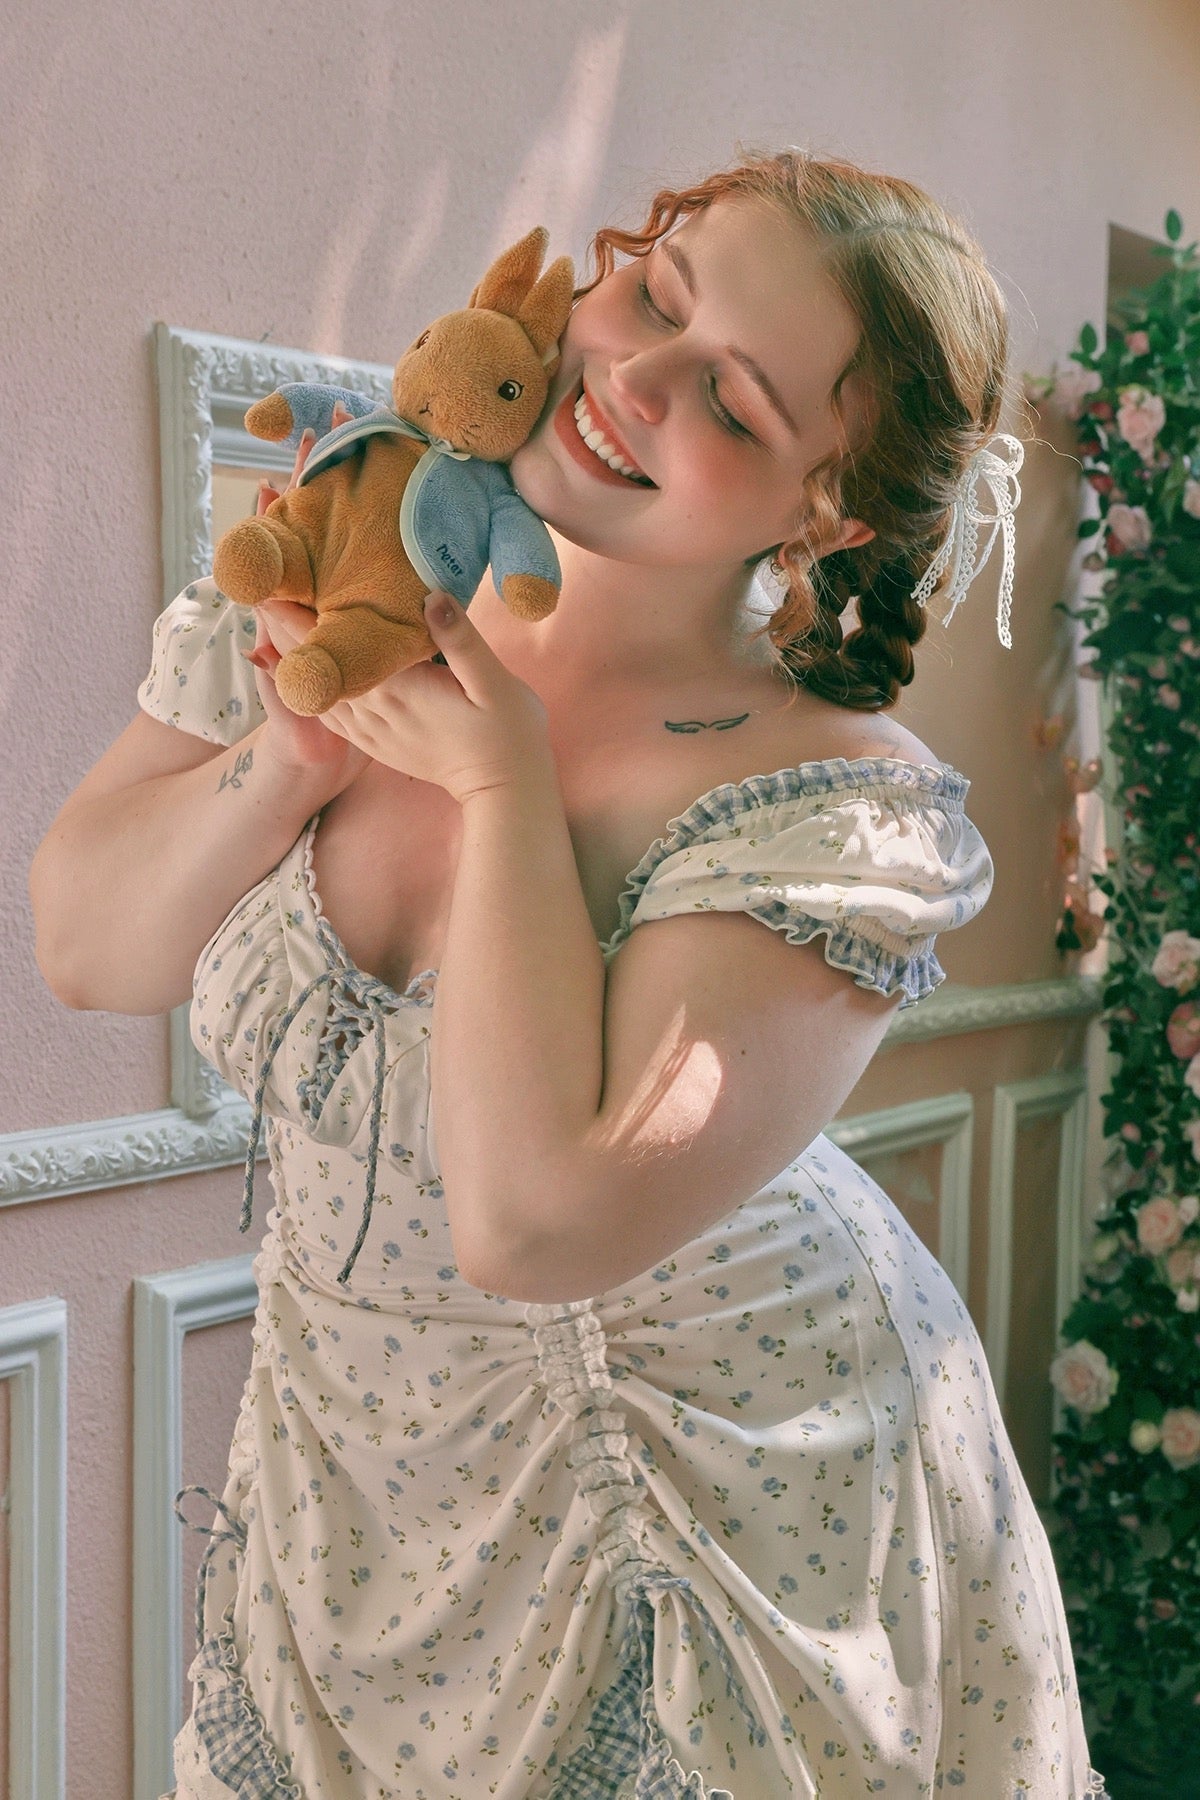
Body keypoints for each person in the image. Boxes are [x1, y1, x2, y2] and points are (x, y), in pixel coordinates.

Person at [30, 149, 1109, 1799]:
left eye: (735, 402)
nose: (635, 378)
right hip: (346, 1483)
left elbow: (534, 1227)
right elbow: (89, 948)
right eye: (658, 292)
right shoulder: (358, 567)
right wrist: (297, 753)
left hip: (698, 1496)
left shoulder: (836, 806)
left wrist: (501, 785)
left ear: (826, 513)